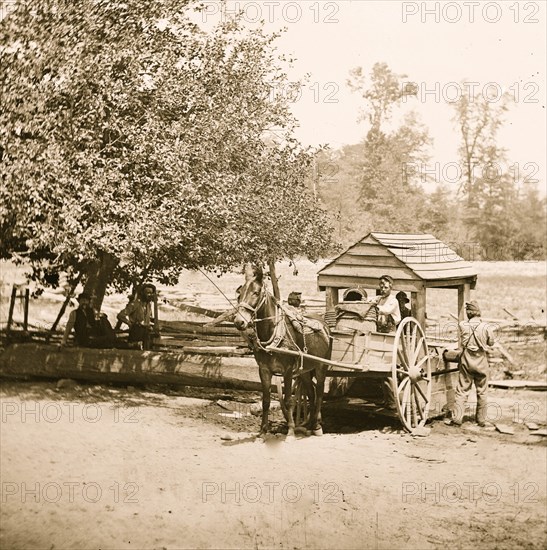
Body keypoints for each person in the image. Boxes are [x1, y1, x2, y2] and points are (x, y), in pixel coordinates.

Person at [447, 301, 495, 427]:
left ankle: (457, 419)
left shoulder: (463, 325)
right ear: (479, 312)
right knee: (482, 391)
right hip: (481, 360)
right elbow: (491, 343)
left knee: (462, 390)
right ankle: (481, 420)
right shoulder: (486, 327)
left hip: (466, 359)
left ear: (468, 313)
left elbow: (462, 341)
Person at [117, 283, 158, 350]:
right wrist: (130, 324)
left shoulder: (148, 305)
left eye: (151, 293)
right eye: (147, 292)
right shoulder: (135, 304)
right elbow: (120, 315)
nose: (150, 295)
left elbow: (147, 319)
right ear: (142, 293)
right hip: (136, 333)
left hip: (146, 334)